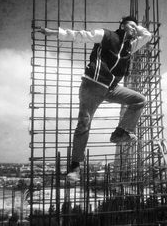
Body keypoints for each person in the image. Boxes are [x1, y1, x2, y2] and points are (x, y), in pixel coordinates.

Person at [38, 16, 152, 181]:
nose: (134, 29)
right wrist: (55, 32)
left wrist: (135, 28)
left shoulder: (130, 47)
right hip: (93, 85)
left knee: (139, 100)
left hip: (111, 89)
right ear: (122, 25)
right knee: (84, 123)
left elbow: (147, 36)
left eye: (136, 27)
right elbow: (80, 35)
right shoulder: (106, 35)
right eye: (130, 25)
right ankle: (75, 167)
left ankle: (120, 133)